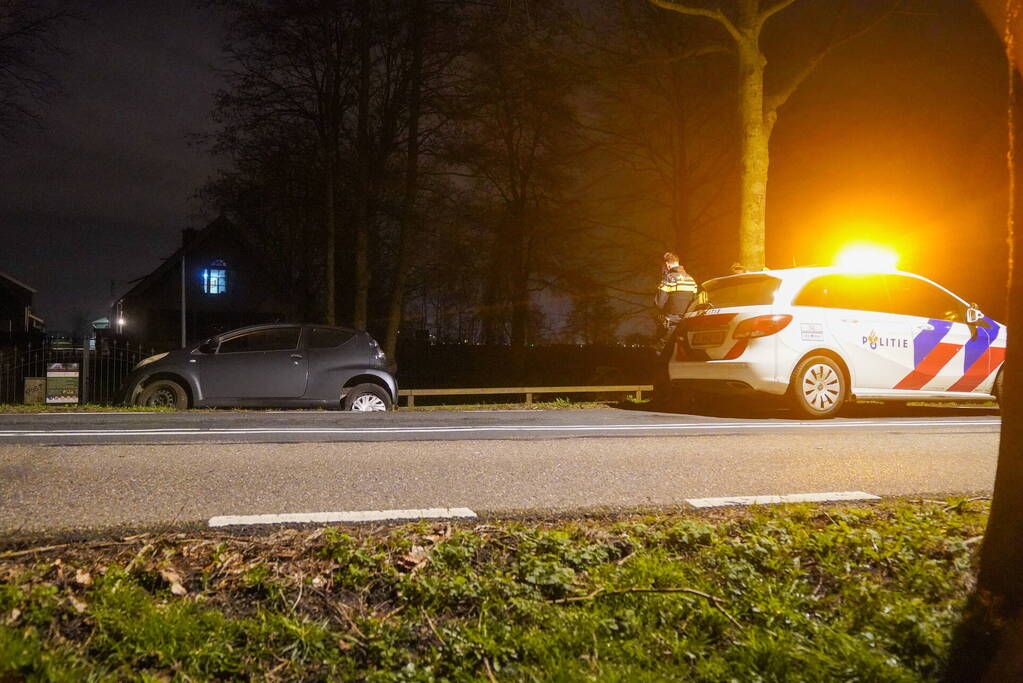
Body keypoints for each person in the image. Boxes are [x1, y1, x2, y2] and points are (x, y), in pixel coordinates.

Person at [654, 252, 698, 351]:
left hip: (670, 321)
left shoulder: (668, 279)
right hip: (686, 322)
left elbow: (659, 303)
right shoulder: (691, 279)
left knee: (660, 348)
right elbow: (695, 301)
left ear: (667, 264)